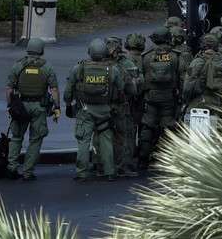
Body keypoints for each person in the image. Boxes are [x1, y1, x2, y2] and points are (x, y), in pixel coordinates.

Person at [65, 39, 127, 181]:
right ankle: (110, 172)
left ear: (90, 52)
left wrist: (68, 104)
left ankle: (82, 173)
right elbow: (121, 88)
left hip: (85, 110)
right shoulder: (112, 69)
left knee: (83, 141)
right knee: (106, 140)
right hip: (105, 111)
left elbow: (69, 90)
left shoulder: (79, 68)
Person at [5, 38, 59, 181]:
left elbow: (9, 88)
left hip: (20, 106)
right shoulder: (47, 67)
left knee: (16, 138)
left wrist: (10, 106)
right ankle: (28, 172)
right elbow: (53, 89)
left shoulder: (18, 65)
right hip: (39, 107)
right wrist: (57, 107)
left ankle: (12, 168)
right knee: (35, 139)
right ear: (41, 50)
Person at [138, 27, 181, 169]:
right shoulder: (175, 56)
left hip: (150, 96)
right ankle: (167, 160)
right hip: (169, 97)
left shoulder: (146, 56)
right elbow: (182, 78)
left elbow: (140, 77)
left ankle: (143, 159)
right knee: (168, 127)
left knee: (147, 126)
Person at [105, 37, 141, 177]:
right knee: (125, 135)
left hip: (102, 106)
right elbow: (135, 88)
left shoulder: (97, 62)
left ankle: (102, 165)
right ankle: (123, 166)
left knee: (102, 135)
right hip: (122, 105)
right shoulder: (127, 63)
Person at [183, 34, 222, 124]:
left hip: (199, 102)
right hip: (218, 102)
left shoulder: (198, 61)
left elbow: (188, 86)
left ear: (203, 45)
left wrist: (186, 100)